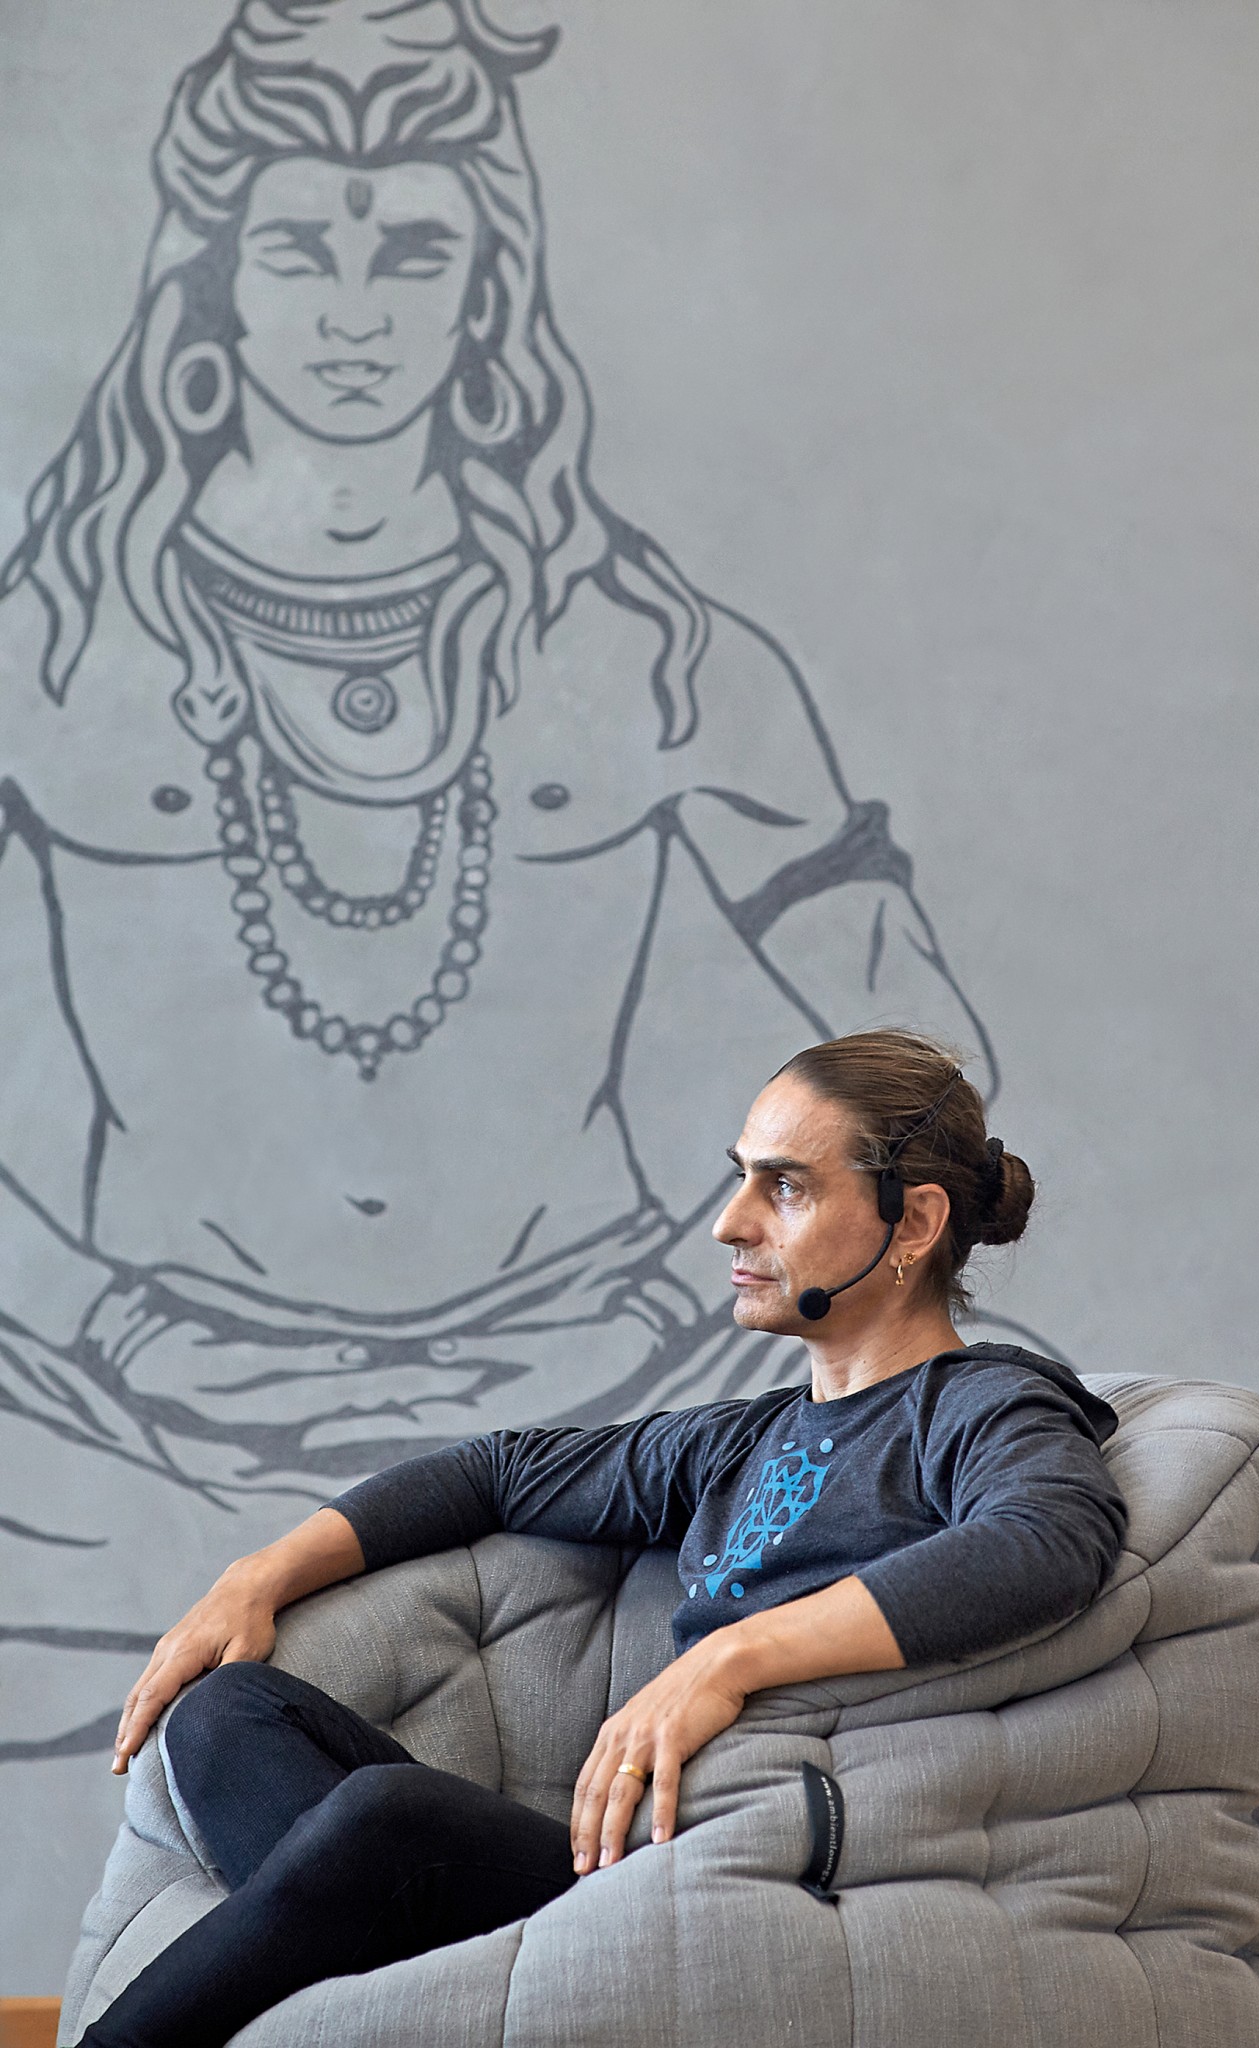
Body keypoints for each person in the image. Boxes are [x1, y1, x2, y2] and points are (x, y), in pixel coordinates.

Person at [0, 0, 1003, 1766]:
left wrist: (703, 1271)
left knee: (899, 1510)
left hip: (602, 1389)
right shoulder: (56, 645)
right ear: (214, 285)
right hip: (119, 1417)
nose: (356, 309)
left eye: (413, 252)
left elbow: (922, 1044)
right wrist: (93, 1319)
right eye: (299, 250)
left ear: (485, 292)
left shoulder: (651, 647)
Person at [82, 1030, 1127, 2048]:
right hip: (608, 1874)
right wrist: (257, 1576)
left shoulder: (980, 1402)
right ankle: (406, 1991)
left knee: (385, 1821)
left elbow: (1048, 1539)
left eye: (785, 1187)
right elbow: (494, 1473)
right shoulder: (738, 1440)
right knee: (223, 1712)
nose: (729, 1222)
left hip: (742, 1879)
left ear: (914, 1220)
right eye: (741, 1178)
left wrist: (730, 1656)